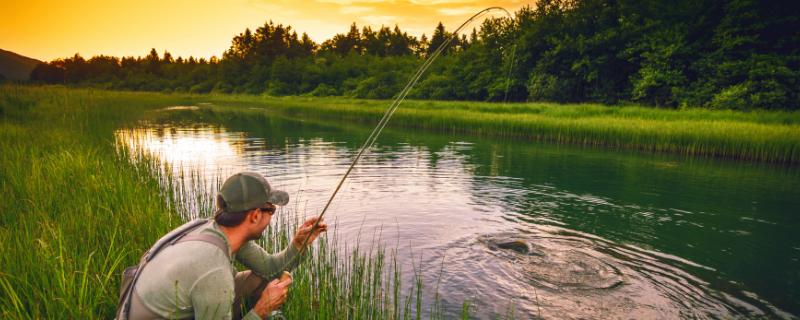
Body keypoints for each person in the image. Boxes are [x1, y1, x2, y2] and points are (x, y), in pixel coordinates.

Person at [128, 172, 327, 319]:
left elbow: (269, 270)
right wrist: (262, 309)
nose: (271, 217)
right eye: (271, 211)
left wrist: (298, 245)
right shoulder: (214, 270)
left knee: (261, 279)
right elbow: (213, 276)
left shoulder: (217, 230)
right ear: (255, 215)